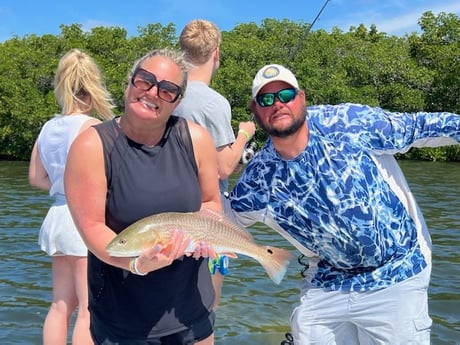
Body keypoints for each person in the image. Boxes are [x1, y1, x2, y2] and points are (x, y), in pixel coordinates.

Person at [223, 63, 460, 345]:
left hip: (397, 272)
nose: (277, 104)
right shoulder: (258, 177)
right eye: (266, 99)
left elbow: (419, 127)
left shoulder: (347, 122)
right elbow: (220, 220)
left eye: (285, 95)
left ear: (301, 98)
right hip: (327, 280)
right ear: (255, 109)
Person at [64, 48, 222, 345]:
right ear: (129, 82)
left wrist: (204, 234)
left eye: (167, 90)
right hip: (121, 316)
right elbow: (92, 228)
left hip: (190, 309)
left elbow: (212, 202)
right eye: (145, 80)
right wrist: (136, 264)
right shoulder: (91, 145)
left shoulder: (196, 139)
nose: (152, 92)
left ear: (177, 101)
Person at [28, 48, 115, 344]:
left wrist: (62, 187)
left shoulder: (48, 127)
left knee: (60, 305)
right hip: (83, 220)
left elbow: (35, 178)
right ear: (93, 85)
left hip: (56, 217)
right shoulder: (94, 128)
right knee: (90, 309)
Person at [174, 19, 256, 195]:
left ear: (182, 53)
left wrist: (235, 159)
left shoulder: (167, 95)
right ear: (216, 53)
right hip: (202, 210)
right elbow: (224, 169)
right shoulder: (213, 103)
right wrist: (244, 134)